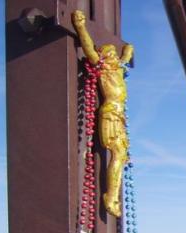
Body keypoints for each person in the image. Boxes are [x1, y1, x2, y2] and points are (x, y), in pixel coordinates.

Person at [72, 10, 134, 218]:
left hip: (119, 116)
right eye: (111, 54)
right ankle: (110, 197)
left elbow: (126, 57)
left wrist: (129, 50)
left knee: (122, 156)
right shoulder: (103, 68)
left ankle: (113, 196)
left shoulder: (118, 69)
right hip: (110, 115)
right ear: (105, 57)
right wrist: (80, 26)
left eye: (115, 54)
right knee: (117, 153)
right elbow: (88, 48)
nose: (115, 56)